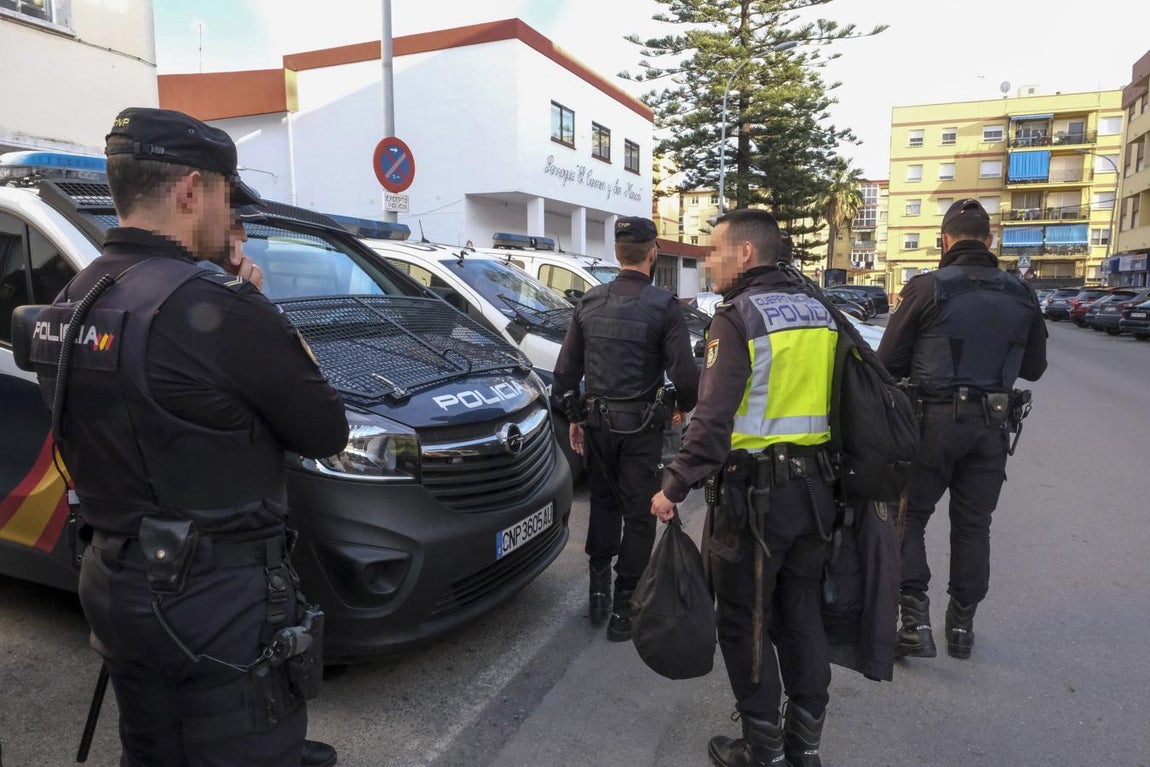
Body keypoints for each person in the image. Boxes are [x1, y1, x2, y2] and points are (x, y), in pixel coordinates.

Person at [29, 107, 350, 767]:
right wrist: (258, 306)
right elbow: (325, 428)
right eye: (225, 196)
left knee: (152, 749)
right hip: (218, 603)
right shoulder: (221, 308)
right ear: (189, 191)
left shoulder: (70, 300)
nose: (228, 218)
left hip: (114, 583)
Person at [652, 208, 840, 767]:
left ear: (747, 255)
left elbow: (711, 420)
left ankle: (763, 750)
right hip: (815, 495)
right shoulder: (820, 312)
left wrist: (674, 484)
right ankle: (805, 746)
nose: (708, 262)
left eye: (715, 251)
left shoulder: (737, 318)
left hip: (754, 501)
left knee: (744, 621)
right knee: (800, 614)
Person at [877, 198, 1047, 660]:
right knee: (974, 526)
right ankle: (961, 630)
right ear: (989, 240)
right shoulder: (1022, 293)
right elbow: (1035, 368)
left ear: (944, 240)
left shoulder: (927, 287)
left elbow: (887, 363)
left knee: (907, 517)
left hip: (929, 425)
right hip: (991, 426)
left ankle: (913, 622)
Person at [554, 216, 699, 641]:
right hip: (641, 428)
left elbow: (564, 377)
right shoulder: (664, 305)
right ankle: (623, 608)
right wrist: (682, 407)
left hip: (598, 426)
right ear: (653, 252)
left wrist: (578, 418)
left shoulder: (589, 302)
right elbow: (686, 377)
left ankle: (597, 595)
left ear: (618, 254)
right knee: (638, 515)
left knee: (603, 505)